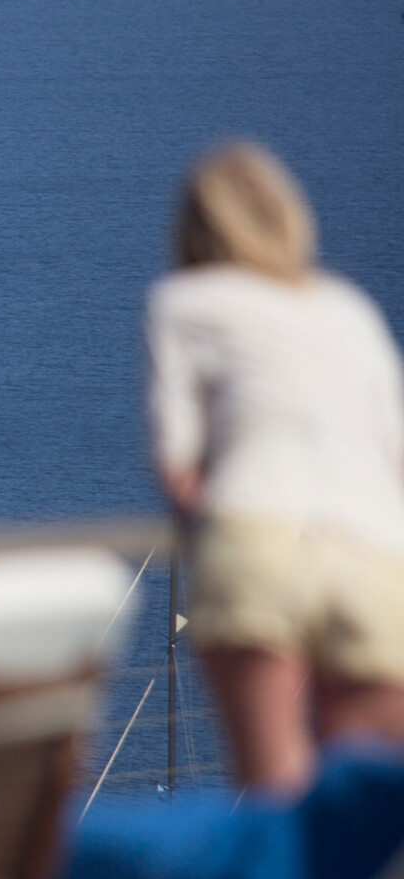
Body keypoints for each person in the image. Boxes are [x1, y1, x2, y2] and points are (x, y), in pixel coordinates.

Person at [149, 141, 404, 793]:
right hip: (376, 552)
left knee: (276, 795)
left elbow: (178, 469)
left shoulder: (183, 301)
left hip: (256, 537)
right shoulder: (350, 309)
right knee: (367, 807)